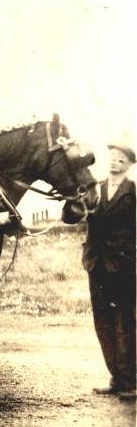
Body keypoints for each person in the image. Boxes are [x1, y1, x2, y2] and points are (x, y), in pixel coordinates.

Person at [79, 143, 136, 397]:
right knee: (103, 322)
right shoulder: (95, 190)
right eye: (112, 158)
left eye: (121, 160)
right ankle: (116, 378)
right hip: (96, 264)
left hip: (124, 265)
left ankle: (130, 380)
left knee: (126, 322)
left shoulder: (132, 193)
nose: (114, 163)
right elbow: (76, 215)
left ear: (129, 166)